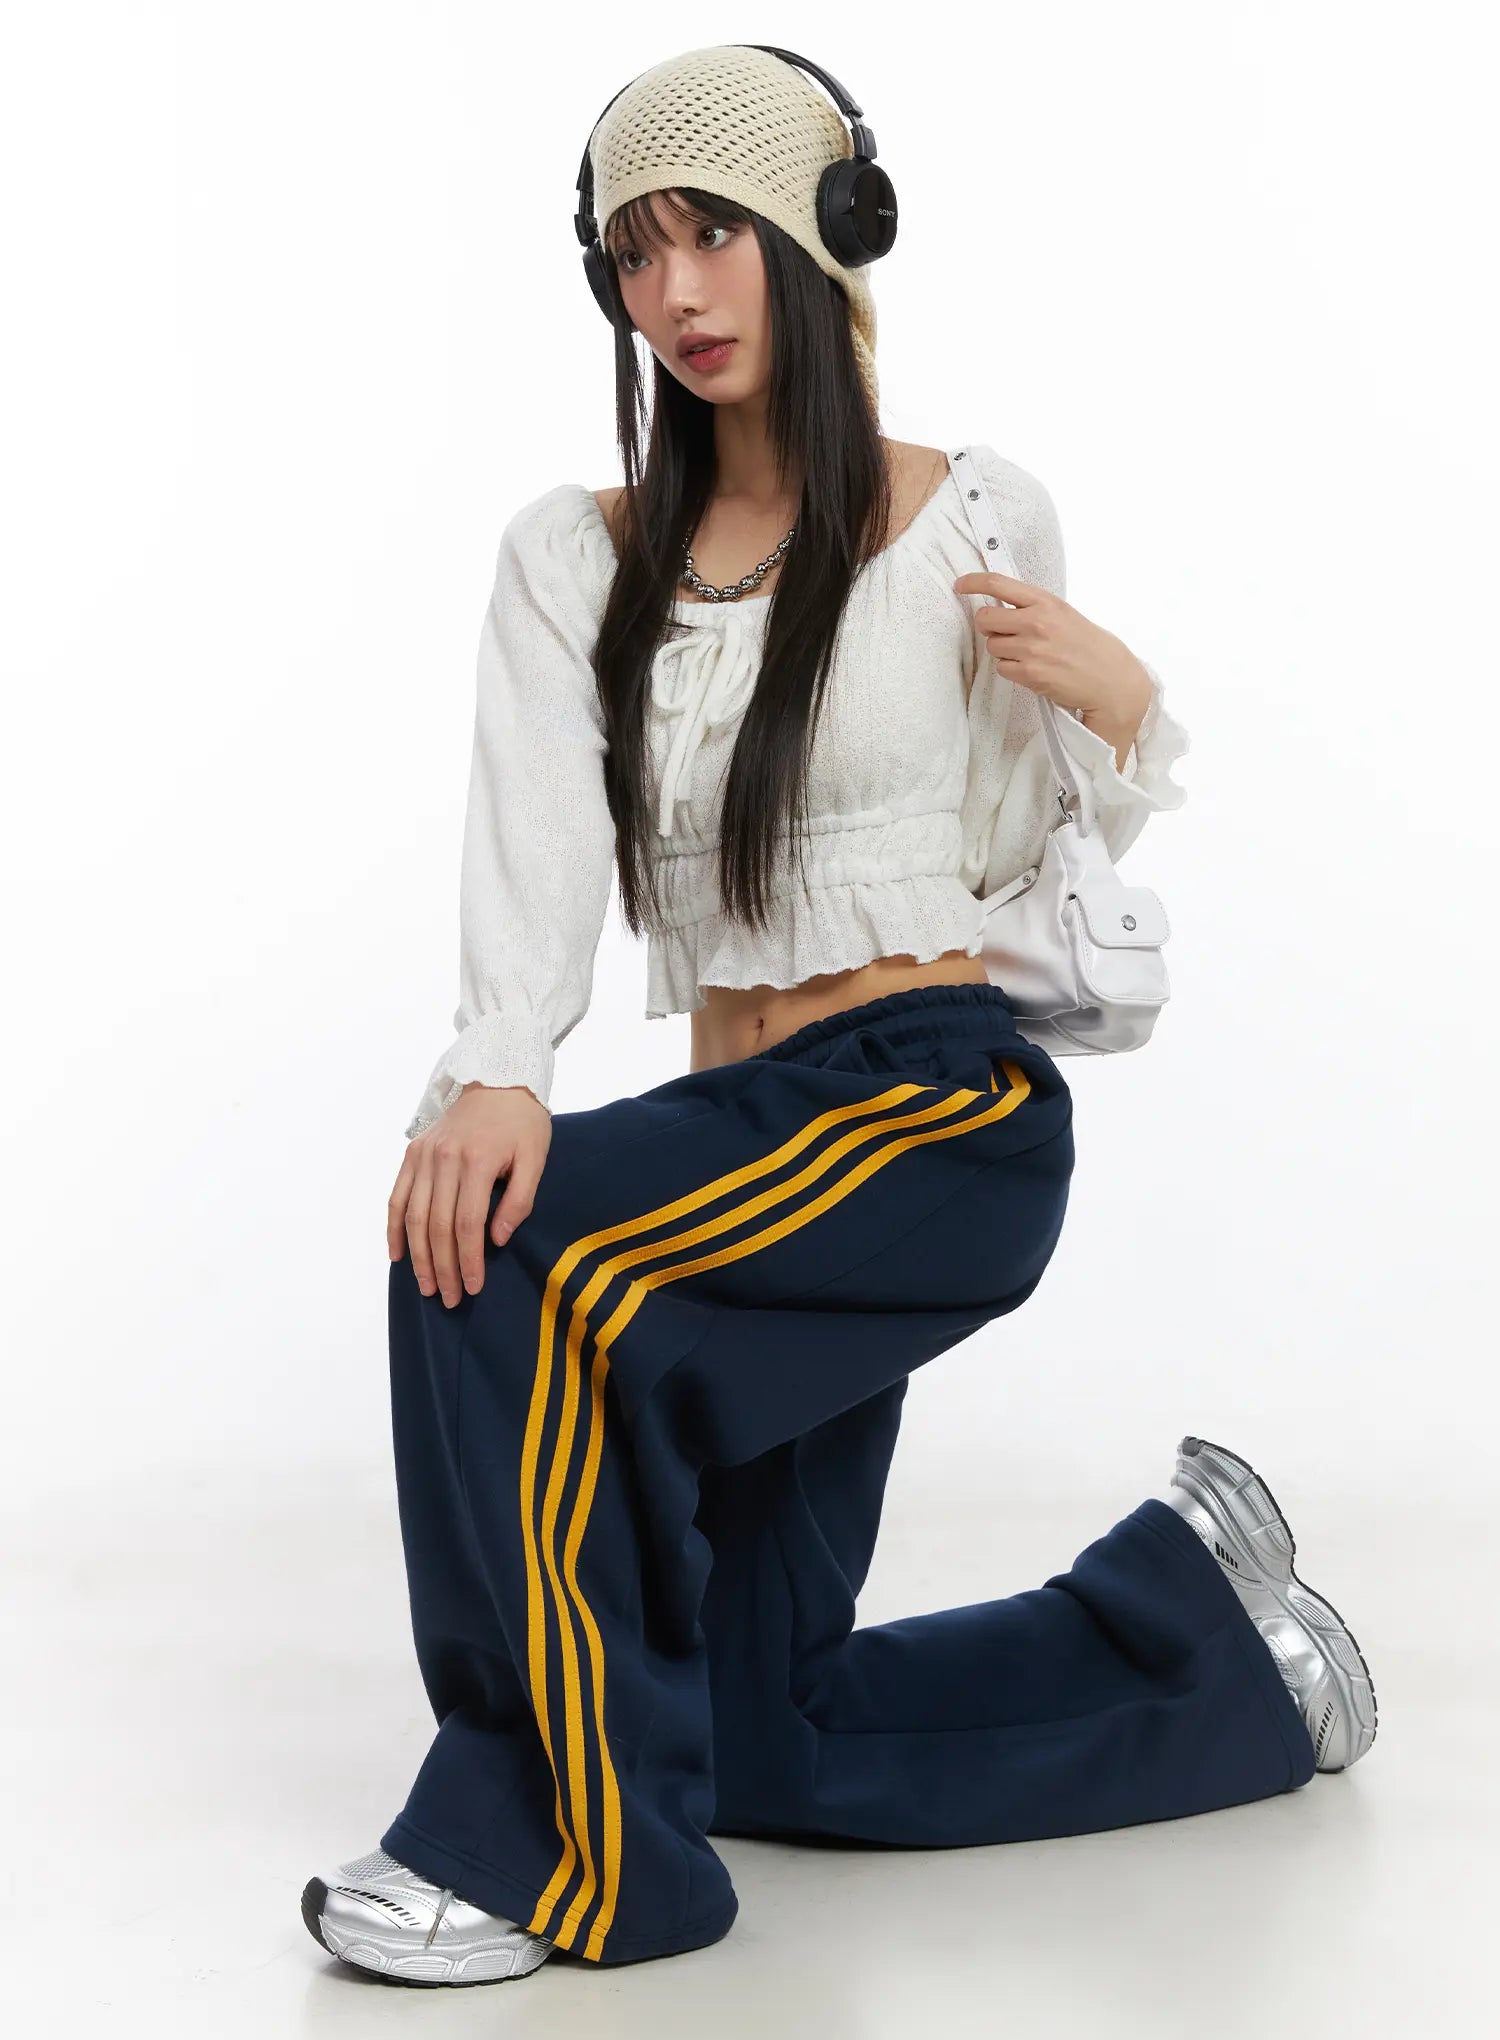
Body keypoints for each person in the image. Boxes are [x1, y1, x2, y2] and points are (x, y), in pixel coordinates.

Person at [299, 43, 1377, 1988]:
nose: (675, 292)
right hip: (754, 1141)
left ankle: (534, 1849)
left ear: (825, 229)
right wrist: (494, 1069)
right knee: (751, 1724)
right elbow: (534, 839)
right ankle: (1220, 1652)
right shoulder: (577, 558)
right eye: (634, 255)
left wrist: (1123, 709)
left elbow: (1022, 855)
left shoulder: (975, 517)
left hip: (934, 1116)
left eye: (711, 232)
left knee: (499, 1260)